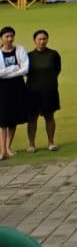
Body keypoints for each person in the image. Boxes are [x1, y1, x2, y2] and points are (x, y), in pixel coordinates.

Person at [22, 29, 59, 152]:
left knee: (49, 116)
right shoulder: (29, 56)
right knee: (32, 118)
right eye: (39, 39)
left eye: (44, 39)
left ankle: (51, 142)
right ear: (35, 41)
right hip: (32, 91)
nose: (42, 41)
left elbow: (57, 70)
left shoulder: (53, 54)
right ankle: (31, 144)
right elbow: (26, 72)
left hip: (49, 90)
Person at [0, 27, 29, 158]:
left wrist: (6, 72)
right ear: (1, 38)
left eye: (12, 36)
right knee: (2, 120)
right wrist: (14, 68)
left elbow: (25, 69)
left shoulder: (20, 50)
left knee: (13, 119)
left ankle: (8, 147)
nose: (10, 39)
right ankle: (3, 150)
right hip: (2, 89)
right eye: (7, 36)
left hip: (17, 88)